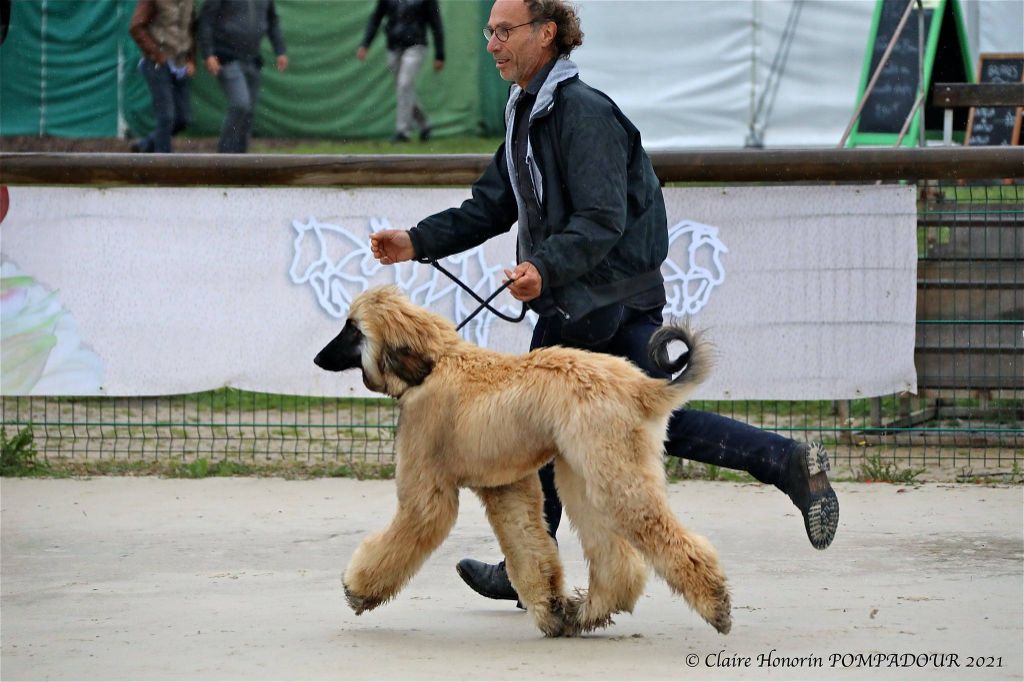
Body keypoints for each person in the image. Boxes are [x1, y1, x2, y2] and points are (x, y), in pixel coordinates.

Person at [369, 0, 840, 606]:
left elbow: (601, 219)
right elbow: (490, 205)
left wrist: (542, 267)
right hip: (583, 300)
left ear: (547, 33)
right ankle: (787, 462)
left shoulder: (582, 113)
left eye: (504, 31)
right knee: (631, 421)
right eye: (489, 31)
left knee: (550, 422)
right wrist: (415, 241)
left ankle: (528, 568)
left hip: (604, 301)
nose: (492, 43)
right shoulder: (527, 109)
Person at [197, 0, 287, 153]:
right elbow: (206, 21)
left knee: (249, 111)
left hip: (253, 58)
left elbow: (272, 21)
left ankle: (241, 160)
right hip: (226, 57)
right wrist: (208, 54)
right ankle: (224, 157)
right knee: (240, 104)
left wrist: (280, 50)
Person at [356, 0, 445, 143]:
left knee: (404, 85)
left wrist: (440, 54)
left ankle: (403, 132)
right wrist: (365, 44)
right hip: (394, 47)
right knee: (403, 89)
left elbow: (436, 24)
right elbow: (376, 18)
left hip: (416, 45)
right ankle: (424, 124)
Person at [129, 0, 196, 153]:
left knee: (183, 118)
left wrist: (191, 60)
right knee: (166, 117)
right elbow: (136, 27)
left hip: (180, 63)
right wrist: (157, 54)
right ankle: (163, 167)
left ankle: (146, 145)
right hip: (157, 64)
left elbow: (191, 29)